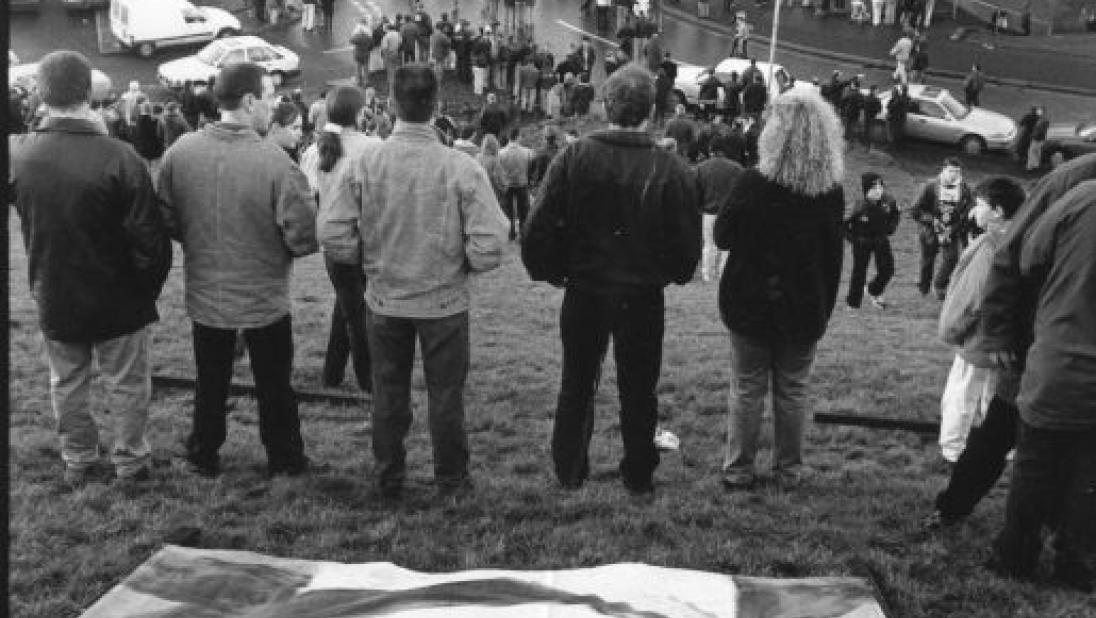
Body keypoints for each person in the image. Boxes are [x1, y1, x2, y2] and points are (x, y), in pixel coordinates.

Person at [322, 65, 508, 498]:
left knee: (388, 393)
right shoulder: (460, 166)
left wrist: (369, 259)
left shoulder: (366, 161)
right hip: (443, 303)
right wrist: (462, 264)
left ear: (389, 104)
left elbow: (332, 231)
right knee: (446, 396)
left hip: (386, 299)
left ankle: (389, 476)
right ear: (436, 105)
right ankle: (452, 480)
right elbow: (491, 242)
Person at [522, 63, 701, 498]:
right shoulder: (667, 167)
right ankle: (636, 472)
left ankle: (570, 469)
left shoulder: (578, 156)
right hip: (636, 294)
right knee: (638, 388)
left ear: (605, 106)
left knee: (578, 382)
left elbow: (537, 229)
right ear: (653, 111)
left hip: (590, 289)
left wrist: (555, 270)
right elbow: (686, 250)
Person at [10, 50, 172, 488]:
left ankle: (79, 459)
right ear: (89, 92)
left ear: (41, 94)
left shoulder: (20, 155)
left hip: (55, 290)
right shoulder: (120, 156)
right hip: (115, 294)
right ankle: (129, 462)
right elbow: (150, 240)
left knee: (67, 381)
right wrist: (144, 290)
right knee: (125, 382)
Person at [158, 63, 319, 478]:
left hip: (207, 290)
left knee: (210, 377)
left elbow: (168, 220)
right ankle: (284, 457)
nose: (272, 107)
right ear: (249, 101)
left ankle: (203, 452)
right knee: (273, 382)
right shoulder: (278, 164)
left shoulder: (179, 154)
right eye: (268, 98)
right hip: (262, 294)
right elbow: (303, 238)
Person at [713, 90, 845, 490]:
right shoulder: (830, 191)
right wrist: (824, 308)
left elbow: (722, 235)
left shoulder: (753, 182)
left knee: (747, 387)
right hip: (804, 306)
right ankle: (789, 469)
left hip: (750, 303)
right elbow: (833, 258)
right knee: (792, 389)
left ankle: (738, 470)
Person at [988, 174, 1096, 593]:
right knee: (1090, 473)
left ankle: (1015, 556)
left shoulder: (1082, 196)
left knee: (1034, 465)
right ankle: (1077, 562)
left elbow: (1029, 257)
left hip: (1059, 360)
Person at [934, 177, 1026, 465]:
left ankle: (953, 449)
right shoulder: (1023, 238)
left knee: (962, 393)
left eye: (980, 205)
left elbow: (970, 297)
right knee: (996, 396)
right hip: (1009, 338)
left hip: (979, 337)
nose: (974, 211)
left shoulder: (989, 245)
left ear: (997, 211)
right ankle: (996, 448)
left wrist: (952, 329)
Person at [300, 86, 379, 395]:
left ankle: (331, 374)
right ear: (359, 114)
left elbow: (308, 193)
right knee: (358, 312)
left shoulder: (313, 150)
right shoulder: (371, 148)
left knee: (347, 304)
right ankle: (368, 380)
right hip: (358, 237)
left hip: (331, 240)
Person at [910, 157, 974, 300]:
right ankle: (924, 287)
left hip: (952, 230)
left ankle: (939, 285)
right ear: (943, 170)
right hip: (930, 231)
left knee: (952, 259)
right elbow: (915, 210)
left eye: (957, 171)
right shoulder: (930, 186)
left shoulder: (964, 188)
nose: (954, 175)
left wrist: (956, 226)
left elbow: (970, 208)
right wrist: (933, 221)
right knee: (928, 260)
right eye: (951, 171)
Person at [845, 172, 900, 309]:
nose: (878, 191)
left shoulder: (889, 201)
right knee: (859, 272)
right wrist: (854, 239)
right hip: (862, 241)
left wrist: (891, 228)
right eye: (874, 188)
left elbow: (895, 214)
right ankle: (853, 303)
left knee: (887, 269)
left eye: (880, 187)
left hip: (881, 240)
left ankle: (873, 290)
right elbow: (843, 226)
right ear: (866, 190)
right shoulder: (859, 207)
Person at [697, 132, 744, 282]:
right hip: (730, 213)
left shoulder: (701, 168)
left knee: (709, 245)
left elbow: (696, 191)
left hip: (709, 212)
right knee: (727, 247)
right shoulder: (736, 168)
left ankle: (708, 274)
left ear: (710, 149)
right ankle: (724, 274)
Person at [498, 127, 534, 241]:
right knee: (524, 211)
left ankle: (511, 233)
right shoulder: (528, 151)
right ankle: (524, 234)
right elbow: (531, 168)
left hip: (507, 184)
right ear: (518, 136)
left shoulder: (501, 153)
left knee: (508, 210)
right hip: (522, 183)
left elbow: (499, 170)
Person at [351, 18, 375, 87]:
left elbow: (351, 40)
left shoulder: (357, 37)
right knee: (366, 68)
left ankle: (358, 81)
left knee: (358, 67)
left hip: (358, 54)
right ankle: (366, 81)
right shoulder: (368, 37)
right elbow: (372, 45)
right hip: (366, 54)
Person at [1026, 106, 1049, 171]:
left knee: (1031, 152)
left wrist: (1033, 135)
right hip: (1040, 139)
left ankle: (1030, 167)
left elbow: (1040, 130)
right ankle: (1036, 165)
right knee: (1037, 152)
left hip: (1037, 138)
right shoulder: (1044, 120)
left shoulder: (1042, 121)